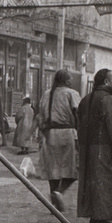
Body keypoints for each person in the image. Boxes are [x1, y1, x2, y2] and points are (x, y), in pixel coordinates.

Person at [77, 69, 112, 223]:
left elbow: (78, 123)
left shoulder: (85, 100)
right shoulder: (108, 100)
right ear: (106, 82)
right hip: (104, 149)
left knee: (91, 181)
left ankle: (95, 216)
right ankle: (104, 217)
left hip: (87, 148)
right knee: (106, 181)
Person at [37, 69, 81, 211]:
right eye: (70, 79)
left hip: (50, 134)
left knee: (53, 169)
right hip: (68, 133)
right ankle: (59, 193)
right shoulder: (72, 94)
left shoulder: (46, 94)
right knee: (73, 169)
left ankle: (54, 203)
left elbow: (41, 115)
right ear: (66, 81)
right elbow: (78, 114)